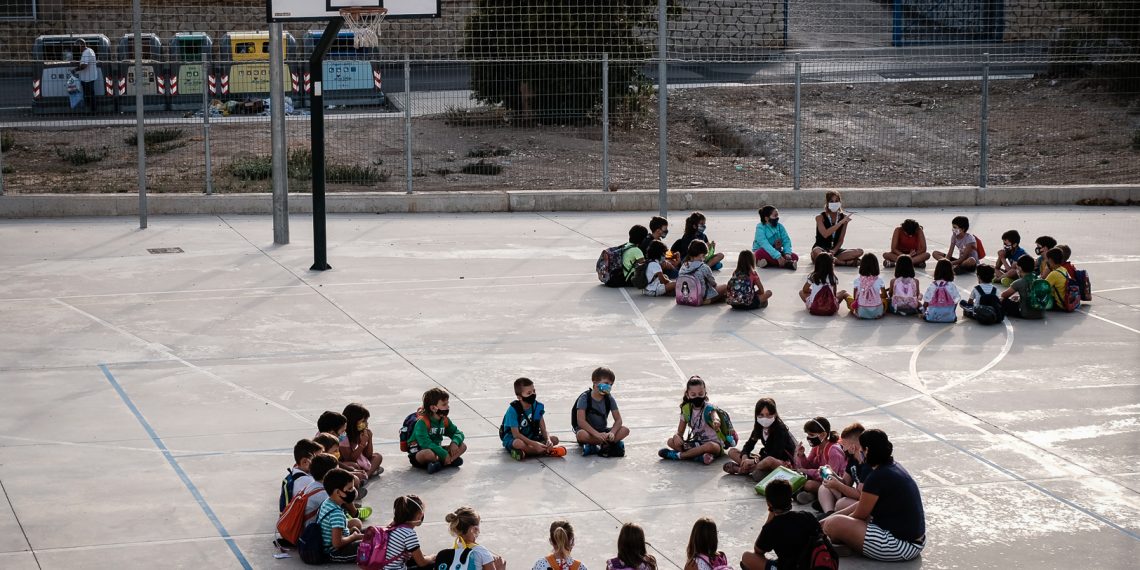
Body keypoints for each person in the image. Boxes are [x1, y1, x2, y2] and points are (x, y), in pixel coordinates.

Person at [822, 429, 926, 562]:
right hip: (913, 540)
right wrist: (828, 519)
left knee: (834, 524)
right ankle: (843, 540)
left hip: (900, 545)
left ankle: (840, 540)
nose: (859, 452)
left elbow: (859, 515)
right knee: (838, 513)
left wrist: (830, 523)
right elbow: (861, 504)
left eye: (861, 449)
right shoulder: (891, 466)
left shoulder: (877, 476)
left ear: (867, 451)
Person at [741, 479, 824, 570]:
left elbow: (758, 550)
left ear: (769, 503)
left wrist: (768, 521)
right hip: (817, 564)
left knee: (746, 557)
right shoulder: (807, 516)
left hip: (790, 567)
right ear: (790, 499)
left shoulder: (771, 527)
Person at [724, 397, 797, 480]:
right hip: (763, 459)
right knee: (732, 451)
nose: (765, 418)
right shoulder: (759, 428)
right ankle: (749, 468)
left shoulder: (780, 429)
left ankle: (742, 470)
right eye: (761, 415)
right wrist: (745, 456)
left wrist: (753, 461)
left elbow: (776, 454)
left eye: (768, 415)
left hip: (781, 462)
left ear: (774, 414)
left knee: (763, 467)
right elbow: (749, 445)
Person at [659, 375, 725, 465]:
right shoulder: (686, 410)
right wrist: (677, 437)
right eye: (693, 395)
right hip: (697, 443)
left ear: (705, 392)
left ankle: (680, 456)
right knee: (670, 441)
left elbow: (714, 415)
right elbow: (680, 432)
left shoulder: (708, 408)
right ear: (688, 394)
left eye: (700, 394)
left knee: (709, 446)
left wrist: (716, 421)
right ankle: (699, 457)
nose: (697, 397)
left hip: (715, 445)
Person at [502, 377, 567, 460]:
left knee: (555, 439)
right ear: (519, 397)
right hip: (514, 438)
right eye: (529, 393)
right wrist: (534, 444)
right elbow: (516, 434)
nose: (532, 394)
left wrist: (548, 440)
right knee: (518, 443)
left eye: (534, 391)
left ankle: (526, 452)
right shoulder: (513, 410)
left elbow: (543, 429)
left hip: (531, 436)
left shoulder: (537, 407)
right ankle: (546, 451)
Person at [573, 366, 630, 457]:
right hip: (589, 432)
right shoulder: (585, 398)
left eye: (611, 385)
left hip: (603, 431)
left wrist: (612, 433)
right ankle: (609, 444)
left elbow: (618, 420)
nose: (609, 387)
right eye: (606, 383)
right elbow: (581, 421)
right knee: (581, 435)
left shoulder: (609, 398)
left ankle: (596, 446)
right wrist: (597, 434)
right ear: (595, 382)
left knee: (625, 430)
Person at [793, 417, 847, 508]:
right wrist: (801, 456)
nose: (809, 438)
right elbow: (809, 464)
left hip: (835, 485)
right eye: (808, 434)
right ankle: (813, 495)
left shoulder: (833, 451)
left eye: (811, 435)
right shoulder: (817, 447)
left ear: (823, 435)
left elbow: (829, 475)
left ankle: (817, 496)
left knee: (809, 484)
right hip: (822, 481)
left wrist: (805, 471)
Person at [409, 388, 467, 474]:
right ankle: (445, 461)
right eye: (444, 404)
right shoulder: (422, 422)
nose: (447, 407)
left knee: (462, 445)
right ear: (433, 408)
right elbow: (425, 443)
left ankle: (443, 462)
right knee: (428, 454)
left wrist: (454, 442)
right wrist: (443, 453)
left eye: (447, 404)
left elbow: (458, 433)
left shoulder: (444, 420)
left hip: (437, 450)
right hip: (420, 452)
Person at [820, 423, 869, 517]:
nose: (843, 448)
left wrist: (837, 485)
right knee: (824, 486)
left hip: (864, 501)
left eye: (844, 444)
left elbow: (860, 495)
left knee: (841, 503)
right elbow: (846, 482)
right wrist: (833, 474)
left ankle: (832, 515)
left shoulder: (867, 465)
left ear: (853, 447)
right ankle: (829, 513)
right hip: (854, 497)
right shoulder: (853, 460)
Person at [317, 468, 365, 563]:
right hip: (334, 552)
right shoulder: (336, 513)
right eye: (350, 488)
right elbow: (337, 543)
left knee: (371, 532)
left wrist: (350, 532)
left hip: (336, 542)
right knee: (370, 545)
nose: (353, 491)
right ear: (338, 492)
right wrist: (353, 537)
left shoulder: (328, 502)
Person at [379, 495, 435, 569]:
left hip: (382, 567)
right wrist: (432, 557)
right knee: (432, 564)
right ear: (419, 515)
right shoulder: (409, 534)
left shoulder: (392, 527)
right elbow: (422, 562)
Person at [811, 191, 863, 267]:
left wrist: (835, 250)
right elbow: (825, 234)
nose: (834, 203)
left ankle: (832, 260)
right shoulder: (820, 217)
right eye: (831, 201)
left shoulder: (843, 218)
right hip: (821, 249)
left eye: (836, 201)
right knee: (816, 251)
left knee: (859, 251)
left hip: (835, 250)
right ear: (827, 203)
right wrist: (840, 223)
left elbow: (841, 239)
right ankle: (843, 262)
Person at [340, 403, 383, 479]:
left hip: (356, 460)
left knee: (377, 456)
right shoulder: (343, 436)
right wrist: (362, 444)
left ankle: (366, 475)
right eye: (363, 421)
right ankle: (367, 473)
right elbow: (350, 459)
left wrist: (369, 440)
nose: (366, 424)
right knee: (354, 465)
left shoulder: (359, 432)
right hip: (344, 463)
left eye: (366, 420)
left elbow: (368, 455)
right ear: (353, 421)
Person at [678, 240, 728, 305]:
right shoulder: (704, 267)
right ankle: (707, 301)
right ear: (701, 255)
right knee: (725, 287)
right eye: (704, 256)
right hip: (700, 297)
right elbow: (713, 283)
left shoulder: (684, 265)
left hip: (685, 296)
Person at [281, 439, 321, 513]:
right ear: (305, 462)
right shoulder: (308, 481)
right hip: (307, 523)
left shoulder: (295, 471)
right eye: (318, 459)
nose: (321, 462)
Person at [752, 205, 798, 270]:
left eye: (777, 215)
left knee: (794, 256)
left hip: (777, 251)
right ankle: (788, 264)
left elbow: (786, 240)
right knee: (759, 253)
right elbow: (764, 244)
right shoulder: (760, 227)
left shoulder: (780, 226)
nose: (777, 218)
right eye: (775, 216)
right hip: (764, 251)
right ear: (767, 218)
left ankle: (767, 263)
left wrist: (787, 253)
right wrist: (778, 256)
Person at [849, 253, 887, 319]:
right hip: (877, 312)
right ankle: (880, 313)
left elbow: (855, 297)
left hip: (861, 313)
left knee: (852, 301)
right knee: (885, 300)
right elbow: (884, 295)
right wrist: (876, 296)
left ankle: (857, 313)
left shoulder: (857, 280)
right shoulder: (879, 280)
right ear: (876, 266)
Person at [71, 39, 98, 113]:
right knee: (90, 95)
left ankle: (91, 111)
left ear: (80, 45)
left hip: (87, 79)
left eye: (77, 46)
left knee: (88, 96)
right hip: (90, 77)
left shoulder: (86, 53)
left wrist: (75, 69)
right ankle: (92, 110)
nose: (77, 49)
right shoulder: (90, 50)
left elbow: (84, 65)